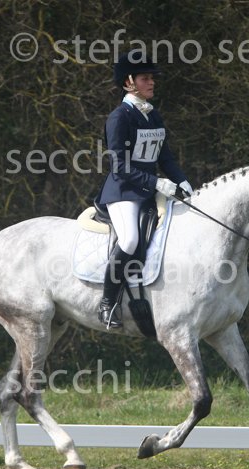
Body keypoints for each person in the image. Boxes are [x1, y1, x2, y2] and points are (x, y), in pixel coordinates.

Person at [95, 49, 193, 329]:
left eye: (152, 78)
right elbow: (119, 166)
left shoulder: (153, 115)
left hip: (149, 190)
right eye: (145, 78)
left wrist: (182, 180)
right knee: (128, 241)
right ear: (129, 82)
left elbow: (165, 157)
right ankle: (107, 303)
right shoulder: (119, 117)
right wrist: (156, 182)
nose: (152, 82)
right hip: (123, 192)